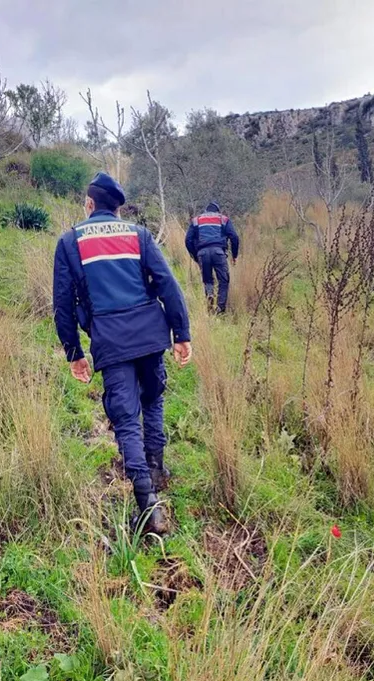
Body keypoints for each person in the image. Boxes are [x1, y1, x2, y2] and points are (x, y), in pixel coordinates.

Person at [53, 172, 192, 534]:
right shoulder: (138, 235)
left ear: (88, 204)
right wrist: (181, 333)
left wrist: (74, 353)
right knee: (154, 400)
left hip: (110, 342)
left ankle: (149, 510)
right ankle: (155, 468)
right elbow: (167, 284)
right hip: (150, 336)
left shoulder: (70, 242)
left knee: (127, 418)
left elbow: (63, 305)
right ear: (118, 207)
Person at [185, 201, 239, 313]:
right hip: (219, 253)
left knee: (208, 280)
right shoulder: (223, 219)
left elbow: (188, 240)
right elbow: (234, 237)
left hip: (202, 253)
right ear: (217, 210)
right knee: (223, 280)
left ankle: (210, 302)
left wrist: (195, 256)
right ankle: (220, 308)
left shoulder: (196, 220)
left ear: (206, 210)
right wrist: (234, 255)